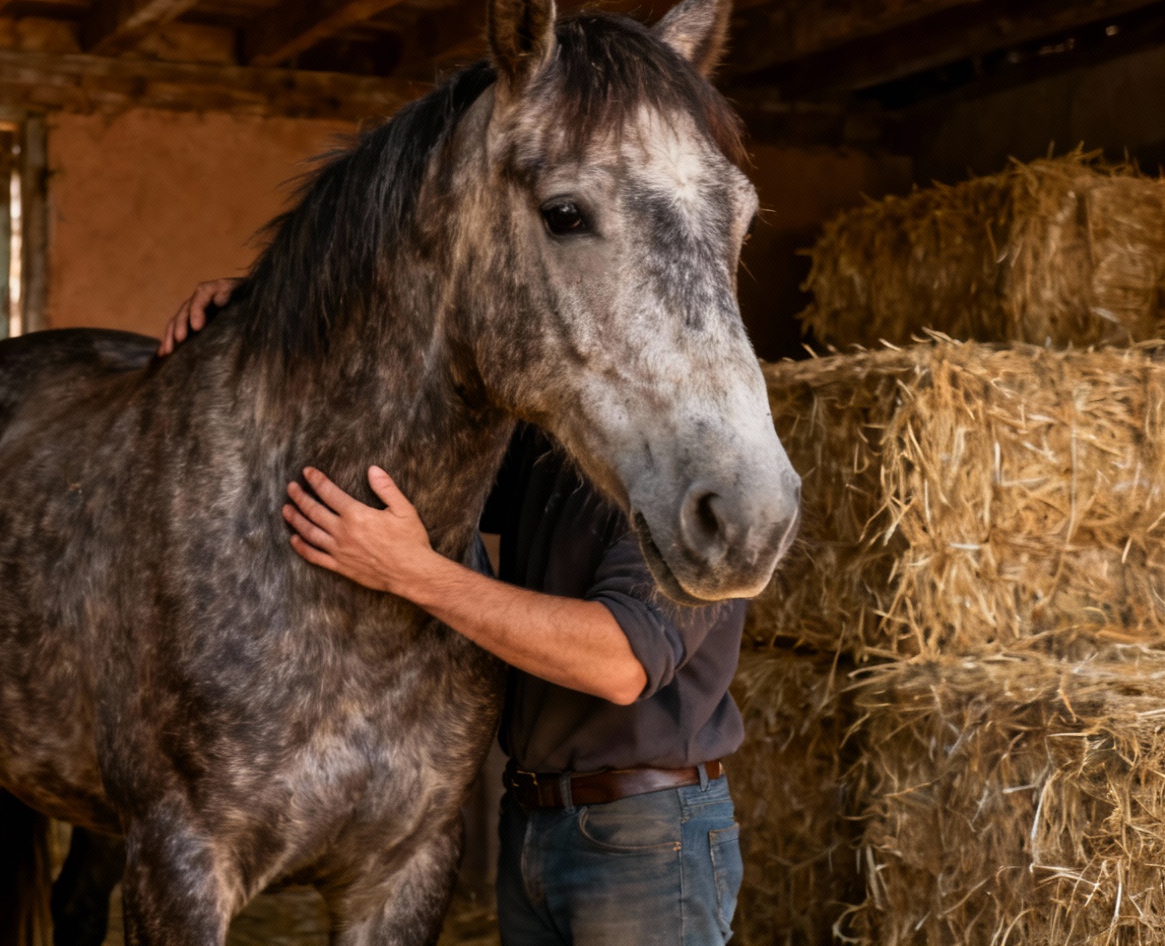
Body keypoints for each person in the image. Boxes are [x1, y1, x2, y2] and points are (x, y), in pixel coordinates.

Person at [159, 279, 747, 946]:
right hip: (536, 822)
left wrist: (414, 573)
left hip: (647, 834)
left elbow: (618, 662)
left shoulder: (707, 475)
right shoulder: (564, 450)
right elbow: (417, 438)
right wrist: (277, 307)